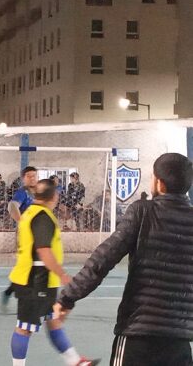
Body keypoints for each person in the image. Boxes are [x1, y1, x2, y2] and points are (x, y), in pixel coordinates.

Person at [54, 153, 193, 366]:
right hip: (179, 341)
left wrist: (67, 298)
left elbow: (103, 258)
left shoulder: (142, 211)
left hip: (137, 334)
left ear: (159, 183)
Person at [9, 179, 99, 366]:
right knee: (24, 328)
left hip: (36, 279)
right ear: (53, 196)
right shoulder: (42, 217)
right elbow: (44, 251)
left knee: (53, 320)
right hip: (35, 281)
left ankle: (75, 361)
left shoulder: (30, 212)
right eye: (57, 193)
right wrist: (62, 275)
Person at [2, 166, 38, 310]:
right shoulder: (22, 193)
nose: (32, 178)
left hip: (39, 232)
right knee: (27, 266)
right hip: (26, 234)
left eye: (34, 175)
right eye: (29, 176)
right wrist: (22, 223)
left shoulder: (40, 192)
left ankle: (11, 291)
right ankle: (18, 296)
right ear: (23, 179)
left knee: (36, 266)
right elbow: (12, 206)